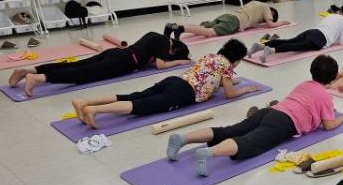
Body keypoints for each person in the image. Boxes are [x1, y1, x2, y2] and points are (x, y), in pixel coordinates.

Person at [166, 54, 343, 176]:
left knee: (230, 130)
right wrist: (342, 118)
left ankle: (182, 138)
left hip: (269, 111)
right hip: (284, 123)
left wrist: (339, 76)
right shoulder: (325, 96)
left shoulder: (304, 84)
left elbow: (331, 76)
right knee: (249, 142)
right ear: (331, 78)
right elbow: (328, 125)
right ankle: (208, 153)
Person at [71, 39, 258, 129]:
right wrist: (246, 89)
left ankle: (84, 102)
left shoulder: (211, 56)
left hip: (174, 81)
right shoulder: (227, 66)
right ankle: (94, 110)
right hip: (184, 93)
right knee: (141, 105)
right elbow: (229, 94)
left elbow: (210, 77)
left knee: (134, 96)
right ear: (237, 59)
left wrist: (230, 81)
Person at [8, 32, 192, 97]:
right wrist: (180, 61)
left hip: (115, 53)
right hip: (121, 62)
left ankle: (28, 70)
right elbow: (160, 65)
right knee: (81, 73)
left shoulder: (154, 35)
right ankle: (38, 78)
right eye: (173, 55)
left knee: (77, 65)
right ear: (174, 49)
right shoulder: (164, 43)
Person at [247, 4, 343, 63]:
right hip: (321, 38)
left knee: (289, 41)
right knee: (296, 46)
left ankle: (261, 46)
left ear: (340, 11)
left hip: (311, 31)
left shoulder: (331, 15)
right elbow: (342, 41)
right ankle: (271, 50)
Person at [163, 1, 289, 40]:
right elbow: (271, 24)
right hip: (234, 22)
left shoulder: (255, 2)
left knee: (203, 28)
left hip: (228, 16)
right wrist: (283, 22)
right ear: (272, 12)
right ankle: (181, 29)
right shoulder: (266, 8)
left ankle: (174, 26)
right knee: (210, 32)